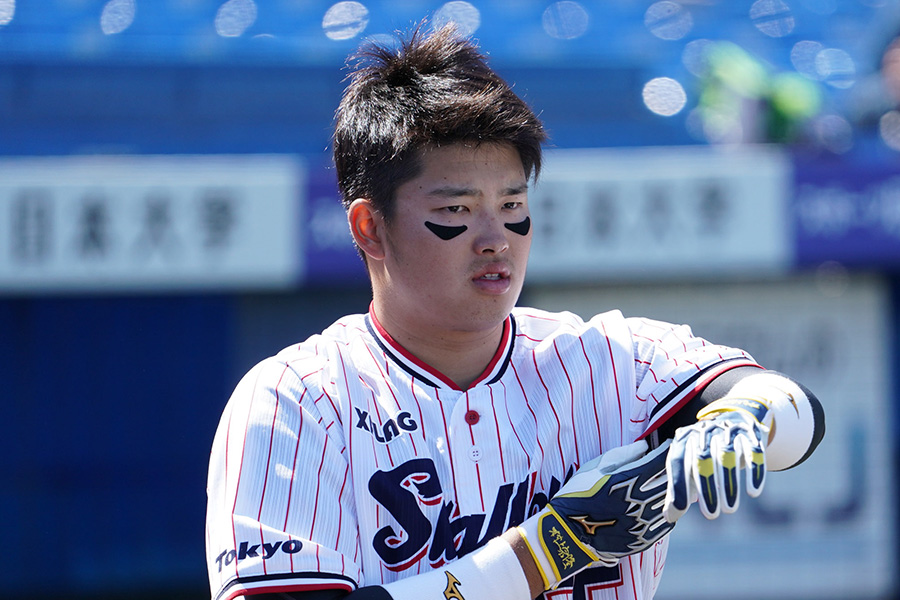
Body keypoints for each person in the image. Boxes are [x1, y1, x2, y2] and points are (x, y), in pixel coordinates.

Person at [205, 23, 825, 600]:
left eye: (511, 204)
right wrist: (553, 547)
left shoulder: (608, 359)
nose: (494, 238)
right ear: (370, 227)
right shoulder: (296, 400)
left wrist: (747, 416)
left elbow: (798, 416)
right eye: (455, 211)